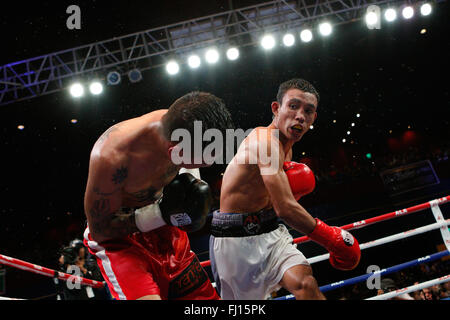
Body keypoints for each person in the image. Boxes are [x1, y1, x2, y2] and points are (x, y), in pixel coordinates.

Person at [209, 78, 361, 300]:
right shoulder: (265, 142)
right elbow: (286, 208)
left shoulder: (286, 150)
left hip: (270, 230)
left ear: (313, 118)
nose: (300, 115)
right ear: (276, 108)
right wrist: (331, 239)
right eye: (293, 106)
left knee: (306, 284)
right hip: (235, 241)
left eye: (308, 111)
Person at [83, 91, 234, 300]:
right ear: (176, 150)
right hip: (121, 241)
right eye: (204, 157)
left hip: (167, 232)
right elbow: (100, 231)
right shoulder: (113, 158)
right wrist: (159, 214)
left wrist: (190, 188)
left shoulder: (183, 121)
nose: (208, 163)